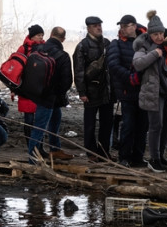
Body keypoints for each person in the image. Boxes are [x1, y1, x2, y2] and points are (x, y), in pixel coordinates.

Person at [133, 11, 167, 172]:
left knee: (165, 125)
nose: (159, 37)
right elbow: (137, 64)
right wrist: (154, 54)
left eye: (161, 33)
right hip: (152, 91)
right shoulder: (144, 45)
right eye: (155, 34)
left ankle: (162, 157)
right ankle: (154, 159)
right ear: (150, 34)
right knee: (155, 126)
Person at [28, 27, 73, 163]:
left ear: (51, 35)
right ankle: (32, 158)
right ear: (63, 39)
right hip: (50, 96)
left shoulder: (37, 49)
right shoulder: (63, 55)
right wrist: (58, 93)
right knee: (40, 127)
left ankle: (55, 149)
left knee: (54, 119)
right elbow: (67, 81)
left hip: (38, 93)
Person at [107, 14, 147, 168]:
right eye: (121, 26)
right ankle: (124, 157)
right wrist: (130, 78)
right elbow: (113, 65)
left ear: (134, 26)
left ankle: (138, 157)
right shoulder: (116, 44)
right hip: (127, 92)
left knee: (142, 127)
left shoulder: (146, 42)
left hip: (144, 92)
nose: (122, 29)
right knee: (128, 126)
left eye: (125, 26)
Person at [73, 16, 113, 162]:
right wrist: (82, 92)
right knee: (89, 124)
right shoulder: (82, 46)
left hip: (106, 91)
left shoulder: (107, 43)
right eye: (95, 26)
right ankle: (91, 153)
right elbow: (78, 71)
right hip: (91, 91)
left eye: (100, 25)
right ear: (88, 28)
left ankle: (104, 152)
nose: (99, 28)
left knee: (107, 123)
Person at [14, 25, 45, 152]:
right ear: (32, 36)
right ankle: (31, 147)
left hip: (40, 89)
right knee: (29, 120)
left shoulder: (45, 47)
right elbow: (17, 67)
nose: (41, 38)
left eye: (42, 35)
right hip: (26, 90)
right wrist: (14, 87)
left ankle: (40, 147)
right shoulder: (24, 48)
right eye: (38, 35)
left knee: (40, 120)